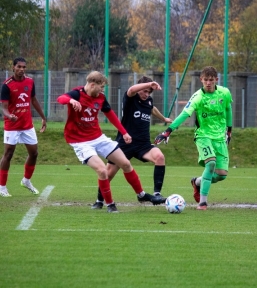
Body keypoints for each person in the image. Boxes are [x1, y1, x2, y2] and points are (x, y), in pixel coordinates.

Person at [57, 71, 165, 213]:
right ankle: (109, 204)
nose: (103, 90)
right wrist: (71, 101)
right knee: (103, 171)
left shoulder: (100, 98)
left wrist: (124, 132)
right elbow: (61, 98)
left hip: (98, 137)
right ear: (92, 84)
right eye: (101, 87)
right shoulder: (77, 94)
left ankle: (142, 195)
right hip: (80, 141)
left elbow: (111, 115)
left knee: (126, 164)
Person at [154, 66, 233, 210]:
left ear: (216, 80)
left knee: (222, 175)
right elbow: (184, 114)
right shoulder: (198, 97)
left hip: (219, 137)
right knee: (211, 163)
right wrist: (168, 131)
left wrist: (229, 131)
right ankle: (203, 203)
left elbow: (228, 109)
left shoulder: (224, 93)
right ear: (201, 80)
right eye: (205, 80)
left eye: (211, 80)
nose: (208, 83)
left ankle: (197, 182)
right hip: (203, 135)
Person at [92, 76, 172, 209]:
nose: (146, 94)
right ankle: (99, 200)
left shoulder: (149, 101)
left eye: (149, 92)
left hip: (143, 144)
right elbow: (131, 89)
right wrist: (149, 84)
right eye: (144, 91)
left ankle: (157, 194)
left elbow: (152, 108)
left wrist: (164, 118)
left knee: (160, 157)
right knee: (108, 173)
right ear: (140, 87)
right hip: (125, 144)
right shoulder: (130, 97)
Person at [0, 57, 47, 197]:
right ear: (13, 67)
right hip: (12, 125)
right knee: (8, 154)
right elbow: (4, 108)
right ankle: (2, 187)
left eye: (24, 67)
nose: (21, 69)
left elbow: (33, 100)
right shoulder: (6, 85)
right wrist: (10, 116)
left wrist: (43, 117)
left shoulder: (30, 82)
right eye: (19, 67)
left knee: (34, 153)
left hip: (27, 125)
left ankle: (26, 181)